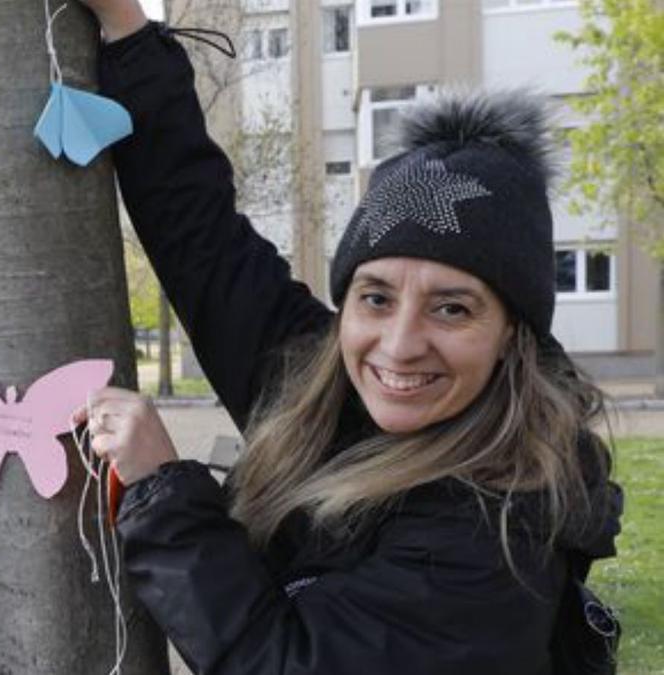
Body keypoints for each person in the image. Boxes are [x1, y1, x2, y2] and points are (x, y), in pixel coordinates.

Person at [72, 2, 623, 674]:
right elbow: (200, 237)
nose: (398, 343)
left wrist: (163, 490)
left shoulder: (501, 532)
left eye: (452, 308)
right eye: (376, 297)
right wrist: (129, 31)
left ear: (514, 336)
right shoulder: (319, 377)